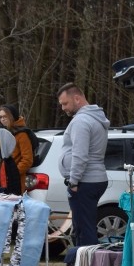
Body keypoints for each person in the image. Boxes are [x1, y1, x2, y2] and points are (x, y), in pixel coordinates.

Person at [56, 83, 110, 246]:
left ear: (77, 98)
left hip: (84, 182)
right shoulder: (96, 118)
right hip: (94, 178)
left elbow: (80, 155)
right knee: (86, 227)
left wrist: (73, 181)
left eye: (65, 103)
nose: (63, 108)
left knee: (83, 231)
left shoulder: (81, 121)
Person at [0, 105, 35, 194]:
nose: (2, 119)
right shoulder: (4, 132)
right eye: (0, 117)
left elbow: (27, 159)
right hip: (4, 176)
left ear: (12, 116)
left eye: (5, 116)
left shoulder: (22, 134)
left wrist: (14, 172)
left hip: (16, 179)